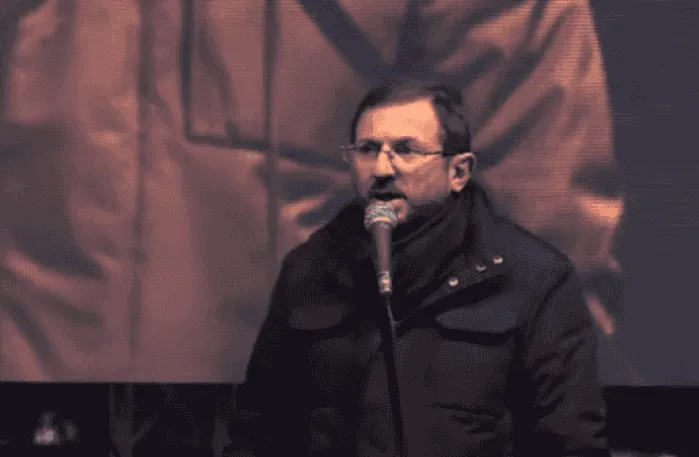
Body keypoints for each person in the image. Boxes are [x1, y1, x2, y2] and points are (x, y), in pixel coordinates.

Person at [224, 80, 609, 457]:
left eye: (405, 150)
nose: (381, 169)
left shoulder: (533, 278)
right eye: (367, 150)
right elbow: (258, 432)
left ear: (458, 172)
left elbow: (569, 443)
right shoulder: (310, 270)